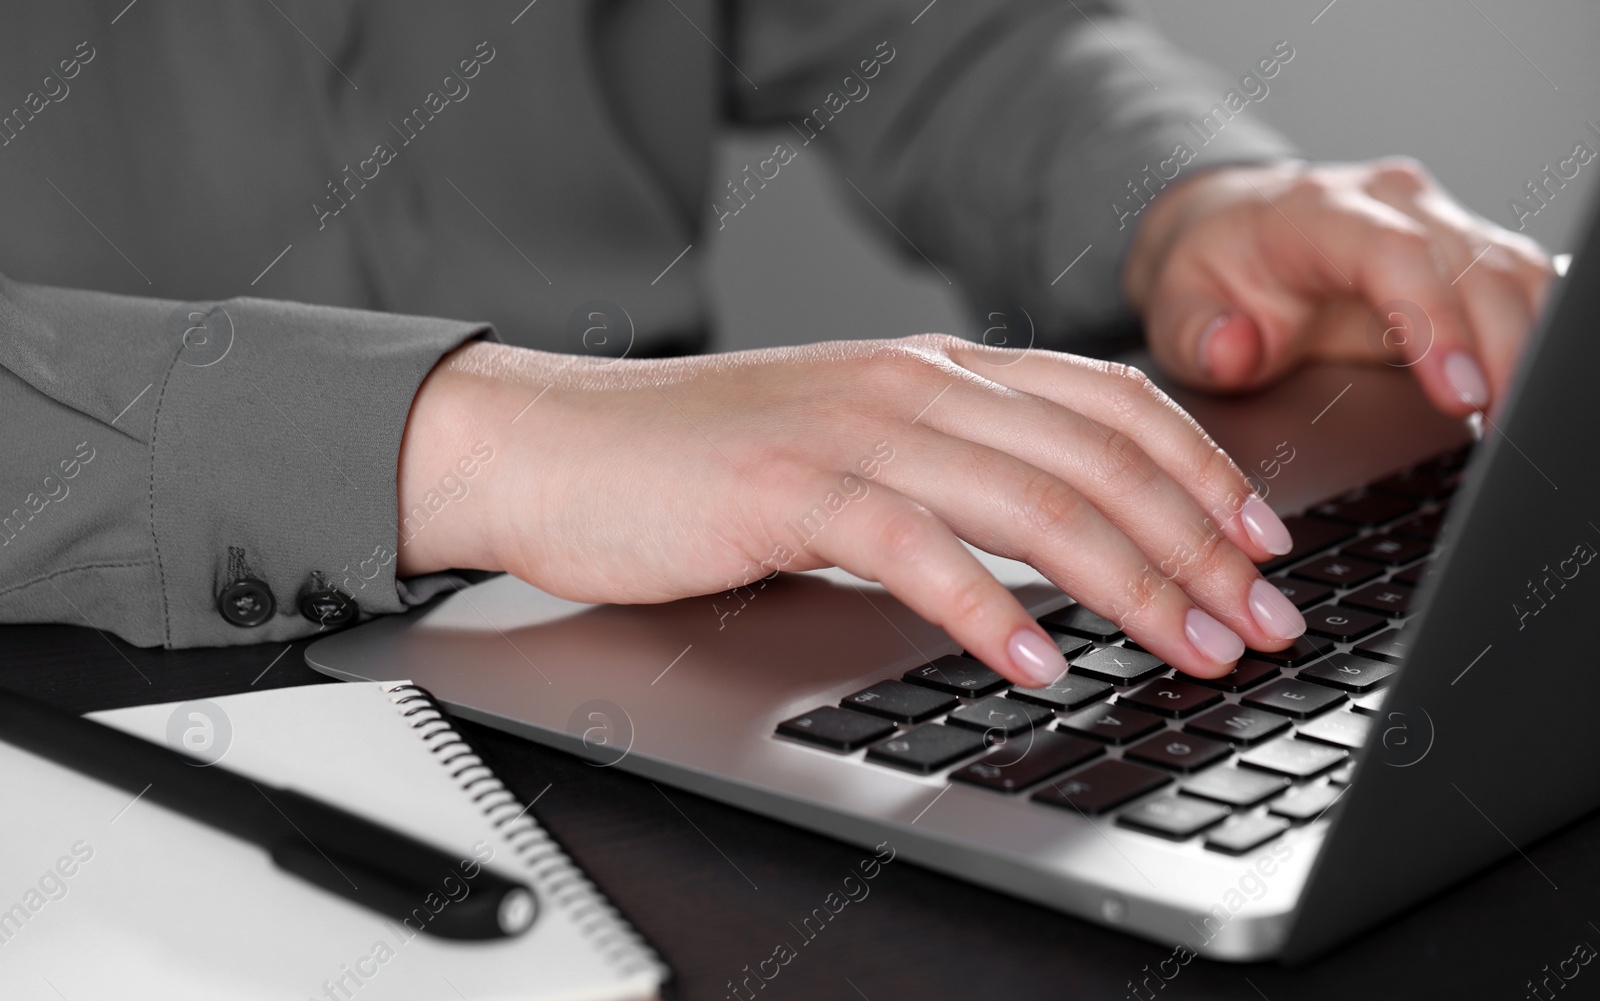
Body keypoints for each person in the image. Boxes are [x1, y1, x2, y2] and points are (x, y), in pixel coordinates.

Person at [0, 1, 1550, 691]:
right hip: (87, 654)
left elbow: (937, 35)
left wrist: (1185, 205)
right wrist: (473, 438)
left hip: (680, 587)